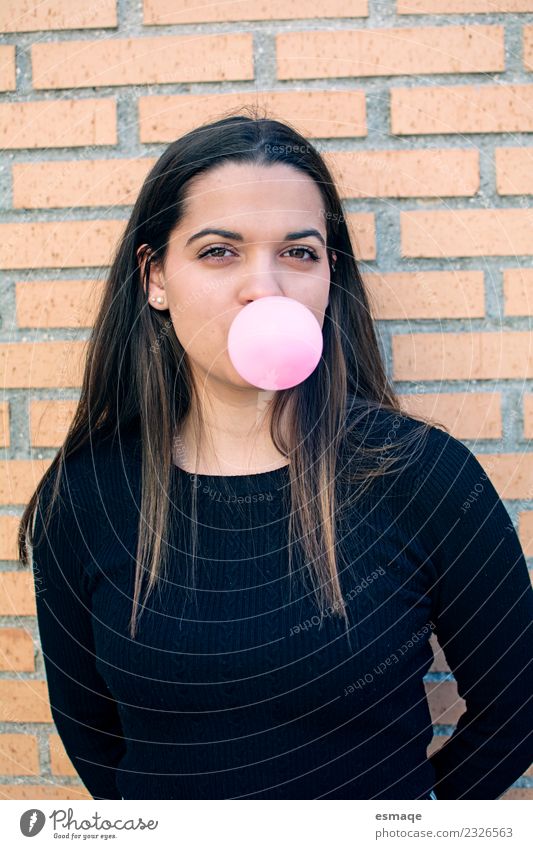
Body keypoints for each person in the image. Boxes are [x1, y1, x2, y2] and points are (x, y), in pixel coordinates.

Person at [19, 107, 533, 801]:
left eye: (298, 252)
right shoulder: (83, 498)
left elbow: (518, 707)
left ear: (328, 276)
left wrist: (413, 827)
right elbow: (94, 737)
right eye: (218, 251)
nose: (266, 286)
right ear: (155, 277)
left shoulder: (422, 476)